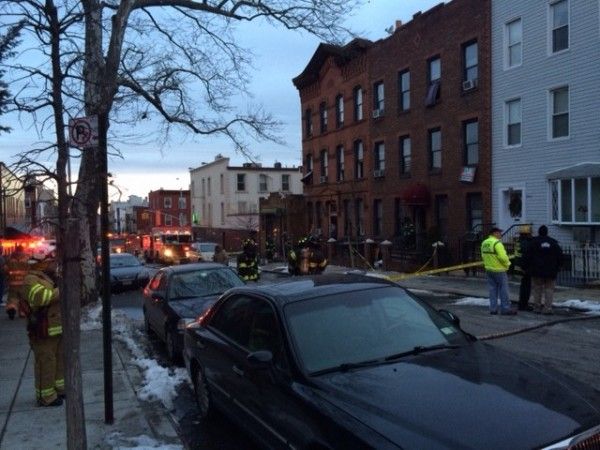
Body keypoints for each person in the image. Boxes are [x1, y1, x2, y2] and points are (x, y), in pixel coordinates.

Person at [19, 257, 64, 407]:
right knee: (46, 363)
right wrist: (62, 289)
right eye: (51, 261)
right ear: (42, 264)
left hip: (56, 328)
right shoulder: (30, 280)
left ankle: (59, 389)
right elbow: (43, 298)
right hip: (42, 331)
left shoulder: (50, 277)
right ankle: (46, 396)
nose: (54, 264)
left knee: (59, 360)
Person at [525, 225, 563, 315]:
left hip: (537, 270)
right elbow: (560, 256)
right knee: (549, 289)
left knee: (537, 289)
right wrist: (560, 266)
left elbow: (527, 256)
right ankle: (547, 308)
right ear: (547, 232)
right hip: (551, 271)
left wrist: (526, 267)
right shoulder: (553, 243)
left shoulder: (533, 242)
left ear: (538, 232)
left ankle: (537, 307)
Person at [481, 227, 516, 315]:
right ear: (494, 233)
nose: (500, 234)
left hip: (489, 269)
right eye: (499, 233)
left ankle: (493, 309)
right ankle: (505, 309)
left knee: (492, 290)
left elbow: (483, 256)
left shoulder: (484, 243)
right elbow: (503, 257)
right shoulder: (497, 243)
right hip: (499, 270)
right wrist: (508, 264)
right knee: (504, 290)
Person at [5, 245, 29, 320]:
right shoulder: (26, 258)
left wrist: (8, 275)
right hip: (24, 282)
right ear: (23, 250)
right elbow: (30, 269)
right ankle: (22, 312)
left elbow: (5, 269)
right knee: (23, 297)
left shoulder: (10, 259)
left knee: (12, 297)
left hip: (13, 282)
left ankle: (12, 309)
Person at [514, 225, 533, 311]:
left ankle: (522, 303)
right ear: (527, 234)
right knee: (526, 287)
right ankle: (523, 305)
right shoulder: (526, 243)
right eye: (530, 233)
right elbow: (526, 256)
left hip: (519, 266)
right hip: (525, 267)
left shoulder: (519, 241)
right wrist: (525, 268)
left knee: (523, 286)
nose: (531, 235)